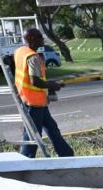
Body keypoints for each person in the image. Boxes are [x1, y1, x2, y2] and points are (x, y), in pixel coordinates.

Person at [13, 28, 74, 158]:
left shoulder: (20, 51)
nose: (43, 39)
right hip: (32, 103)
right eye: (40, 37)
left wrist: (51, 83)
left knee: (52, 129)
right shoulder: (33, 57)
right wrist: (52, 85)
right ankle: (26, 161)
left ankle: (67, 155)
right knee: (32, 135)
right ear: (32, 39)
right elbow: (35, 81)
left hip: (35, 101)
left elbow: (26, 76)